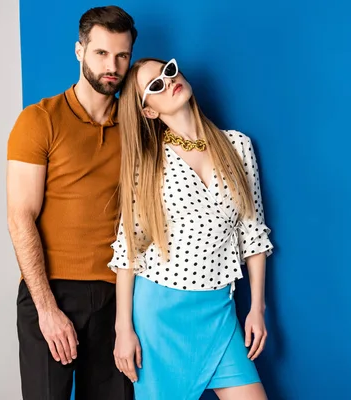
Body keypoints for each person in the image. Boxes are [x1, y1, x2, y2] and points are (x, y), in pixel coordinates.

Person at [109, 57, 274, 400]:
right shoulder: (148, 162)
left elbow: (253, 233)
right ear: (148, 111)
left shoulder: (238, 146)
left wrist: (256, 307)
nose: (168, 82)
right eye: (155, 86)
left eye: (169, 71)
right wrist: (123, 328)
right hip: (161, 317)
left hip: (219, 312)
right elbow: (128, 248)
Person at [6, 6, 137, 399]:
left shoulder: (136, 127)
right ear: (79, 51)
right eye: (101, 53)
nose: (112, 65)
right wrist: (47, 308)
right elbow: (20, 217)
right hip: (51, 290)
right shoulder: (39, 119)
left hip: (117, 295)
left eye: (122, 56)